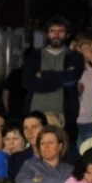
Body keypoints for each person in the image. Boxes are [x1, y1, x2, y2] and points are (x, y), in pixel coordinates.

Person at [22, 15, 83, 148]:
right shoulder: (34, 56)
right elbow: (28, 83)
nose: (56, 35)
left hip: (64, 118)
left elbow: (72, 79)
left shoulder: (74, 57)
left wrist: (43, 75)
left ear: (67, 34)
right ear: (47, 34)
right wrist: (62, 79)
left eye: (60, 31)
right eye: (52, 31)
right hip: (35, 115)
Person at [7, 111, 47, 180]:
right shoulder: (17, 160)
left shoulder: (63, 154)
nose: (30, 132)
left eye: (34, 127)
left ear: (45, 128)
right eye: (26, 128)